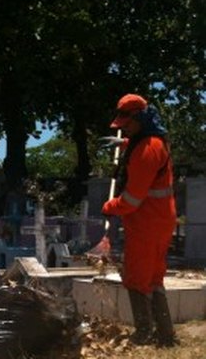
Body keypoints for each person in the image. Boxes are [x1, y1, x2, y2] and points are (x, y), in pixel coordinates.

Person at [101, 93, 177, 347]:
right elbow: (140, 147)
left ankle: (143, 333)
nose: (124, 128)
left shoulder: (146, 150)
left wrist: (109, 207)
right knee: (154, 276)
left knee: (136, 276)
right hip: (160, 219)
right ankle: (166, 335)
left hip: (146, 222)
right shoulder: (153, 141)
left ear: (141, 119)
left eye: (127, 124)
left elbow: (132, 200)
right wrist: (121, 144)